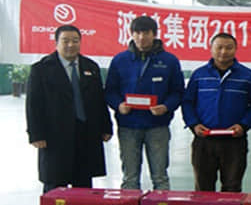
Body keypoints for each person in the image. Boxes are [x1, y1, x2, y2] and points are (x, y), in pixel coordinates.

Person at [26, 25, 112, 193]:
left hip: (86, 133)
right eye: (65, 41)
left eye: (75, 41)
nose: (70, 45)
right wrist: (36, 134)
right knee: (55, 184)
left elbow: (99, 100)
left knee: (84, 186)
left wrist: (105, 127)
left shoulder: (91, 67)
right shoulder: (41, 69)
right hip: (55, 135)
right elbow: (33, 105)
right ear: (56, 43)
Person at [105, 16, 184, 190]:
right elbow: (110, 90)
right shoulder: (120, 60)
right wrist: (118, 105)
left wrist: (166, 107)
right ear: (131, 34)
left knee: (160, 177)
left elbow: (178, 92)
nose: (141, 37)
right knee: (130, 178)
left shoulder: (169, 61)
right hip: (128, 126)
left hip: (158, 126)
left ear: (154, 34)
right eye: (137, 32)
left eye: (146, 33)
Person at [182, 32, 251, 192]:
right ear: (211, 49)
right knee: (203, 188)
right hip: (204, 140)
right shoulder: (199, 75)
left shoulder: (248, 76)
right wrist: (194, 124)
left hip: (234, 141)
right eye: (219, 47)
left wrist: (244, 125)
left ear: (236, 49)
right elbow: (188, 102)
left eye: (229, 48)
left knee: (232, 187)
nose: (224, 52)